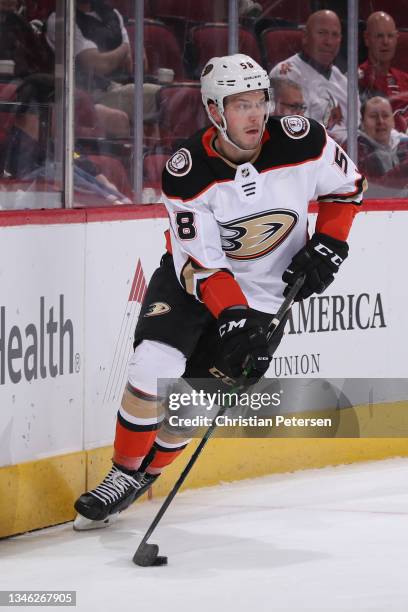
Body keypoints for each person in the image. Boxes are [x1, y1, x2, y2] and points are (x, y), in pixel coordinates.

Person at [73, 54, 365, 530]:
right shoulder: (188, 170)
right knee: (153, 366)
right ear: (214, 111)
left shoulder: (303, 141)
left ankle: (148, 473)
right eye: (240, 105)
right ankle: (120, 474)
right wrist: (233, 314)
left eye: (260, 102)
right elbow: (204, 265)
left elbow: (347, 189)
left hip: (267, 297)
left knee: (197, 397)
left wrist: (330, 244)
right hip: (192, 282)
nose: (255, 114)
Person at [46, 1, 159, 128]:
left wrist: (113, 57)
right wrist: (123, 50)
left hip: (117, 87)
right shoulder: (61, 19)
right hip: (87, 96)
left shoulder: (113, 14)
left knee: (169, 94)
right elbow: (97, 64)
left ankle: (173, 146)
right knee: (162, 96)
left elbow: (132, 64)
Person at [269, 9, 352, 143]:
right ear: (305, 36)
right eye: (322, 33)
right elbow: (293, 134)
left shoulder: (343, 80)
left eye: (335, 35)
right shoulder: (286, 75)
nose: (329, 42)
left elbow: (358, 128)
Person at [359, 11, 408, 132]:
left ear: (397, 39)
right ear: (367, 38)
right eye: (379, 36)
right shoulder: (356, 81)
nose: (386, 42)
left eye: (390, 36)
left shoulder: (405, 79)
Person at [358, 95, 408, 190]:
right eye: (373, 116)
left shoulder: (405, 145)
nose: (380, 121)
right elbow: (368, 190)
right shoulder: (353, 150)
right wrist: (403, 170)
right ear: (362, 123)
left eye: (385, 116)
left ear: (393, 121)